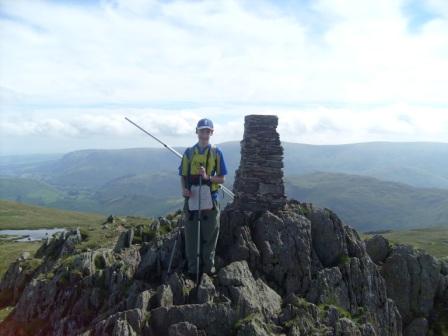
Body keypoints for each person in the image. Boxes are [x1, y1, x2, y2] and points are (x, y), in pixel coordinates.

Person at [178, 118, 227, 278]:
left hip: (210, 198)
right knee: (192, 234)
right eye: (202, 130)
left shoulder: (216, 152)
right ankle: (193, 269)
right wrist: (184, 189)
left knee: (210, 234)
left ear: (211, 133)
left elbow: (222, 179)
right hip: (192, 197)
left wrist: (207, 177)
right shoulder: (189, 153)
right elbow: (183, 175)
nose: (204, 133)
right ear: (197, 132)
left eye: (207, 130)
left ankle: (208, 268)